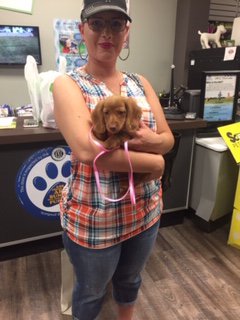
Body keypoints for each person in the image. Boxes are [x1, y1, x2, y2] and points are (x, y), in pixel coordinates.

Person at [53, 1, 174, 319]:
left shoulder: (141, 83)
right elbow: (90, 153)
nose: (107, 33)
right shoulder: (68, 84)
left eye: (116, 24)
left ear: (127, 32)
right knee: (91, 292)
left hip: (145, 212)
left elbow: (167, 139)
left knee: (130, 280)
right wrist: (156, 164)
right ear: (82, 30)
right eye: (97, 24)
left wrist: (152, 142)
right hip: (95, 219)